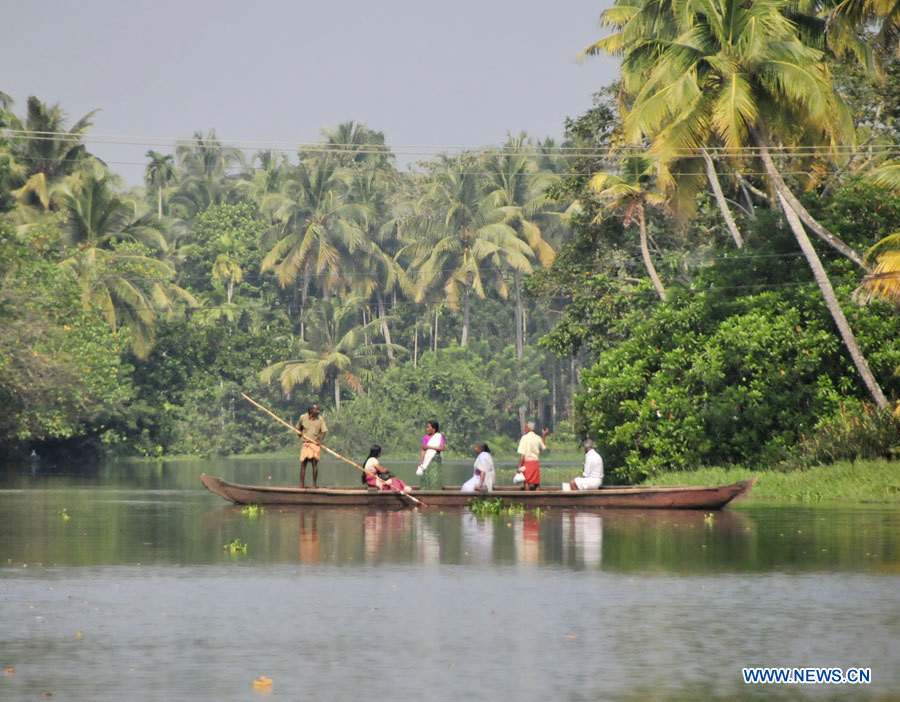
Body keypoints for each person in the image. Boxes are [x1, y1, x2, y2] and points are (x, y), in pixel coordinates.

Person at [296, 402, 327, 489]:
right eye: (316, 409)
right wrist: (300, 434)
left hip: (314, 444)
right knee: (303, 464)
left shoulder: (320, 419)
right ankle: (301, 485)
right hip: (306, 444)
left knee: (314, 463)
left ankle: (314, 485)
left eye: (318, 409)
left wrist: (320, 441)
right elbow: (299, 428)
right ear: (311, 410)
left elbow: (324, 431)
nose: (318, 411)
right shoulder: (303, 417)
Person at [516, 421, 549, 491]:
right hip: (535, 463)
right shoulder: (537, 437)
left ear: (528, 428)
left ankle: (527, 499)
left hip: (527, 463)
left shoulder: (524, 438)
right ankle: (538, 498)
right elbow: (543, 447)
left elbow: (523, 455)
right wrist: (544, 436)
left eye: (525, 427)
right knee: (536, 483)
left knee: (526, 482)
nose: (524, 429)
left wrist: (519, 466)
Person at [416, 420, 445, 489]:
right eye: (427, 427)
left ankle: (436, 491)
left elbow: (442, 448)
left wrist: (430, 447)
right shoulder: (425, 437)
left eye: (429, 427)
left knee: (434, 476)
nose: (427, 429)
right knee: (426, 476)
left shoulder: (439, 436)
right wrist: (420, 461)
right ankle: (426, 490)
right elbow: (423, 450)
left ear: (434, 429)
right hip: (426, 460)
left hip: (435, 460)